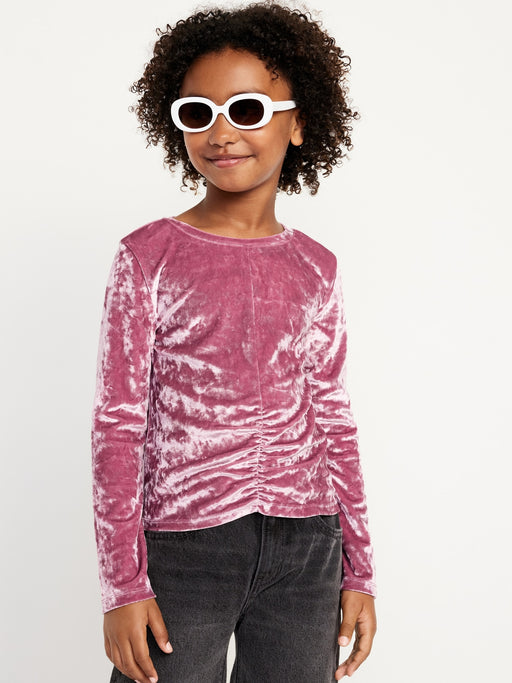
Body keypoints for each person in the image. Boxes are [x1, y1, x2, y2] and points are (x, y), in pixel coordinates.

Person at [91, 3, 377, 682]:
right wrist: (122, 585)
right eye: (198, 113)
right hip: (184, 549)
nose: (222, 133)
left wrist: (359, 568)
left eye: (247, 110)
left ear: (299, 122)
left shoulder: (316, 266)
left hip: (307, 548)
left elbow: (333, 417)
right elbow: (119, 421)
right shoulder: (148, 256)